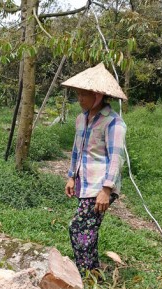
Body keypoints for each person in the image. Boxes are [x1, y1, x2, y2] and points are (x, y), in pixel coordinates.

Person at [61, 63, 128, 277]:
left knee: (78, 228)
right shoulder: (81, 119)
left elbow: (116, 159)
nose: (79, 99)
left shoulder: (113, 123)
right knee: (87, 229)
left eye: (84, 95)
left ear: (98, 96)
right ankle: (92, 272)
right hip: (85, 183)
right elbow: (76, 150)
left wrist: (106, 190)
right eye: (78, 94)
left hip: (100, 186)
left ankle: (87, 276)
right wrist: (71, 177)